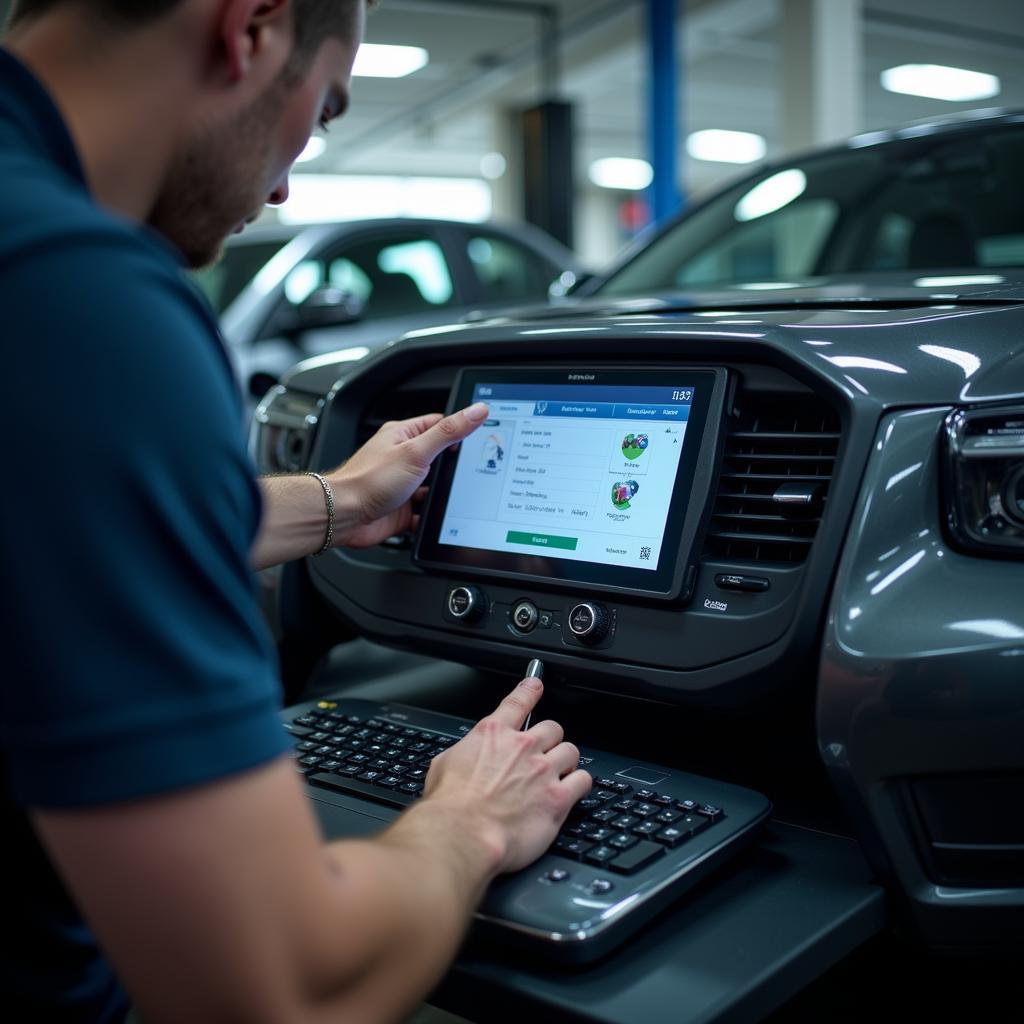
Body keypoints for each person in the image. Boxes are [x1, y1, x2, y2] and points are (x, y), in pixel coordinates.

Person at [0, 1, 591, 1021]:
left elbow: (51, 519)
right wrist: (468, 820)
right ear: (251, 28)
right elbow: (285, 989)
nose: (280, 187)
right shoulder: (81, 299)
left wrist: (335, 501)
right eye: (320, 112)